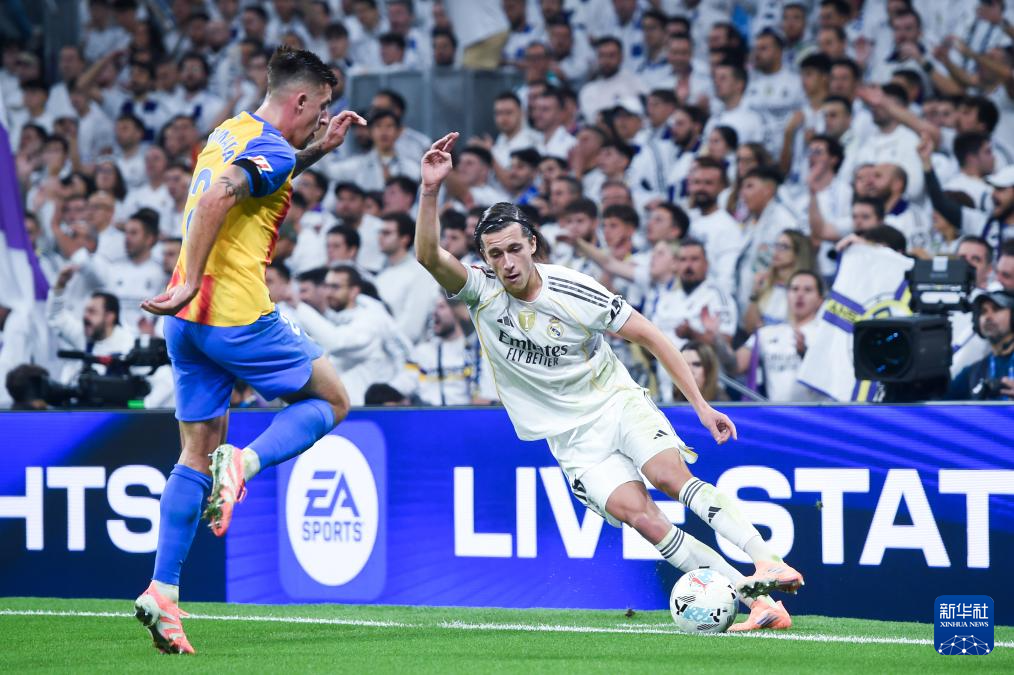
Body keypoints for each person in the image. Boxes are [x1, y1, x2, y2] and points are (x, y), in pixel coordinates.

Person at [414, 132, 804, 633]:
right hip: (571, 439)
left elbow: (653, 337)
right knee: (644, 519)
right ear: (485, 259)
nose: (506, 263)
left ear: (532, 244)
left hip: (615, 403)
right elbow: (429, 256)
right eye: (495, 254)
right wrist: (431, 191)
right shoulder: (481, 292)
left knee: (670, 477)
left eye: (514, 249)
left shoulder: (574, 290)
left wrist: (701, 405)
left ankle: (766, 559)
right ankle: (758, 603)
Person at [134, 46, 366, 655]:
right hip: (234, 314)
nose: (323, 116)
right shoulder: (274, 147)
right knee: (333, 400)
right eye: (321, 106)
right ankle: (245, 464)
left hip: (185, 324)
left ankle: (163, 591)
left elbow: (260, 171)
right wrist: (192, 278)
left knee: (194, 453)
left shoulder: (230, 130)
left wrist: (319, 150)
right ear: (300, 99)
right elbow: (221, 197)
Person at [946, 290, 1014, 400]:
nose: (988, 316)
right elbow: (937, 403)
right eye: (983, 311)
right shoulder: (973, 373)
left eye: (996, 309)